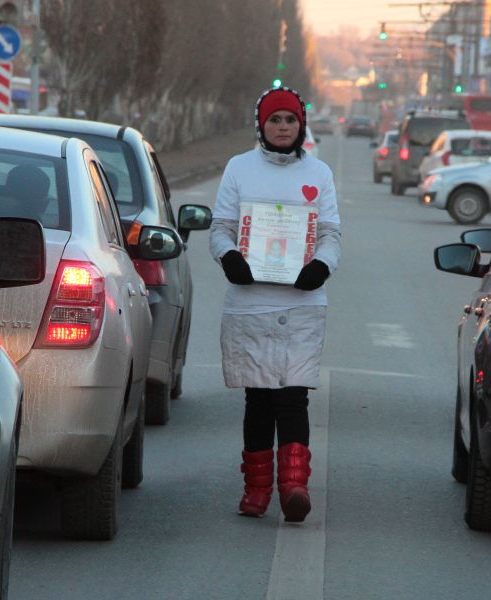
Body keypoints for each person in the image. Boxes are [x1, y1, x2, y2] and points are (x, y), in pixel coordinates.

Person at [210, 87, 341, 523]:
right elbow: (221, 228)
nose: (283, 128)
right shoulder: (239, 168)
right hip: (251, 304)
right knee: (258, 400)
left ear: (301, 125)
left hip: (302, 304)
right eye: (274, 120)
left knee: (292, 396)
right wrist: (229, 256)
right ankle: (257, 488)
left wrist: (321, 266)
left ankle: (293, 488)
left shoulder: (319, 173)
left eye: (289, 120)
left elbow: (330, 235)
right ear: (261, 125)